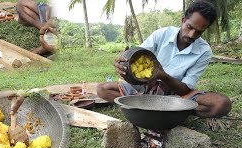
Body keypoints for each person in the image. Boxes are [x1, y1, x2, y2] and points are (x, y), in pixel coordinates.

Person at [97, 0, 231, 118]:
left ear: (205, 30)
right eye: (189, 27)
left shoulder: (204, 51)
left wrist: (162, 75)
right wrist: (123, 63)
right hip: (145, 87)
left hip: (176, 96)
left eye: (199, 32)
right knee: (102, 89)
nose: (191, 35)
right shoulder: (162, 34)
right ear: (183, 20)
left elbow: (185, 90)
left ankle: (151, 107)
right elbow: (138, 55)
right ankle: (156, 108)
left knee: (221, 104)